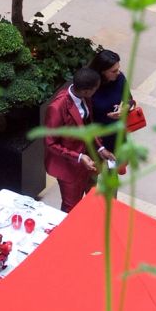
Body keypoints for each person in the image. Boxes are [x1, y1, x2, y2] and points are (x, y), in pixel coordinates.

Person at [43, 67, 105, 210]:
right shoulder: (57, 108)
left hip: (88, 159)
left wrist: (100, 147)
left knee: (91, 194)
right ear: (86, 91)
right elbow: (50, 143)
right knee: (71, 206)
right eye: (95, 89)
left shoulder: (85, 98)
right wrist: (79, 157)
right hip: (68, 166)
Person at [90, 48, 127, 155]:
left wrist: (125, 107)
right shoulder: (91, 88)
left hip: (117, 134)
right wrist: (100, 147)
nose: (118, 73)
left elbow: (129, 99)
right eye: (114, 71)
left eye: (118, 69)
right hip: (97, 138)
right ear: (102, 72)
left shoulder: (120, 78)